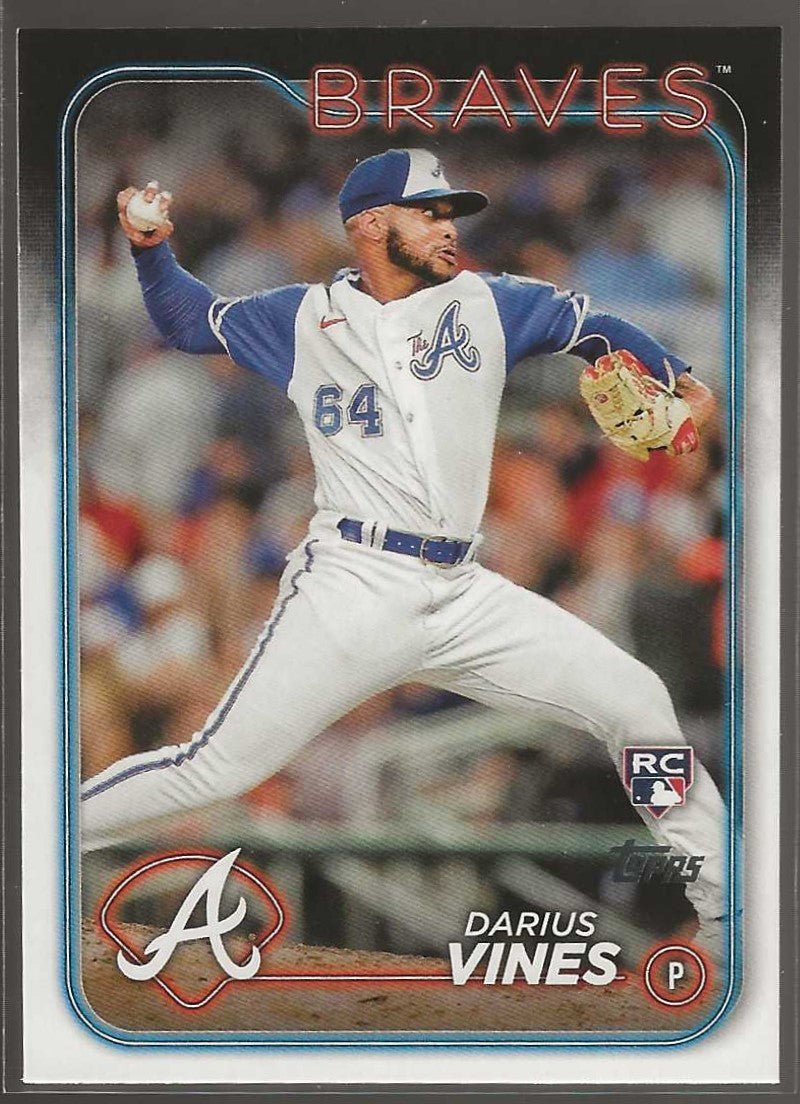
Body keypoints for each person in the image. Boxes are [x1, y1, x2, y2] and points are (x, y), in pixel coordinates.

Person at [81, 149, 727, 959]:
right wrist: (151, 250)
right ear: (370, 224)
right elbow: (188, 320)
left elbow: (594, 327)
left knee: (635, 700)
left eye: (450, 212)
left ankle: (728, 918)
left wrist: (678, 377)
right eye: (429, 212)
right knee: (213, 769)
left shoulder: (490, 303)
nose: (447, 225)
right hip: (352, 584)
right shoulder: (302, 316)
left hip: (463, 589)